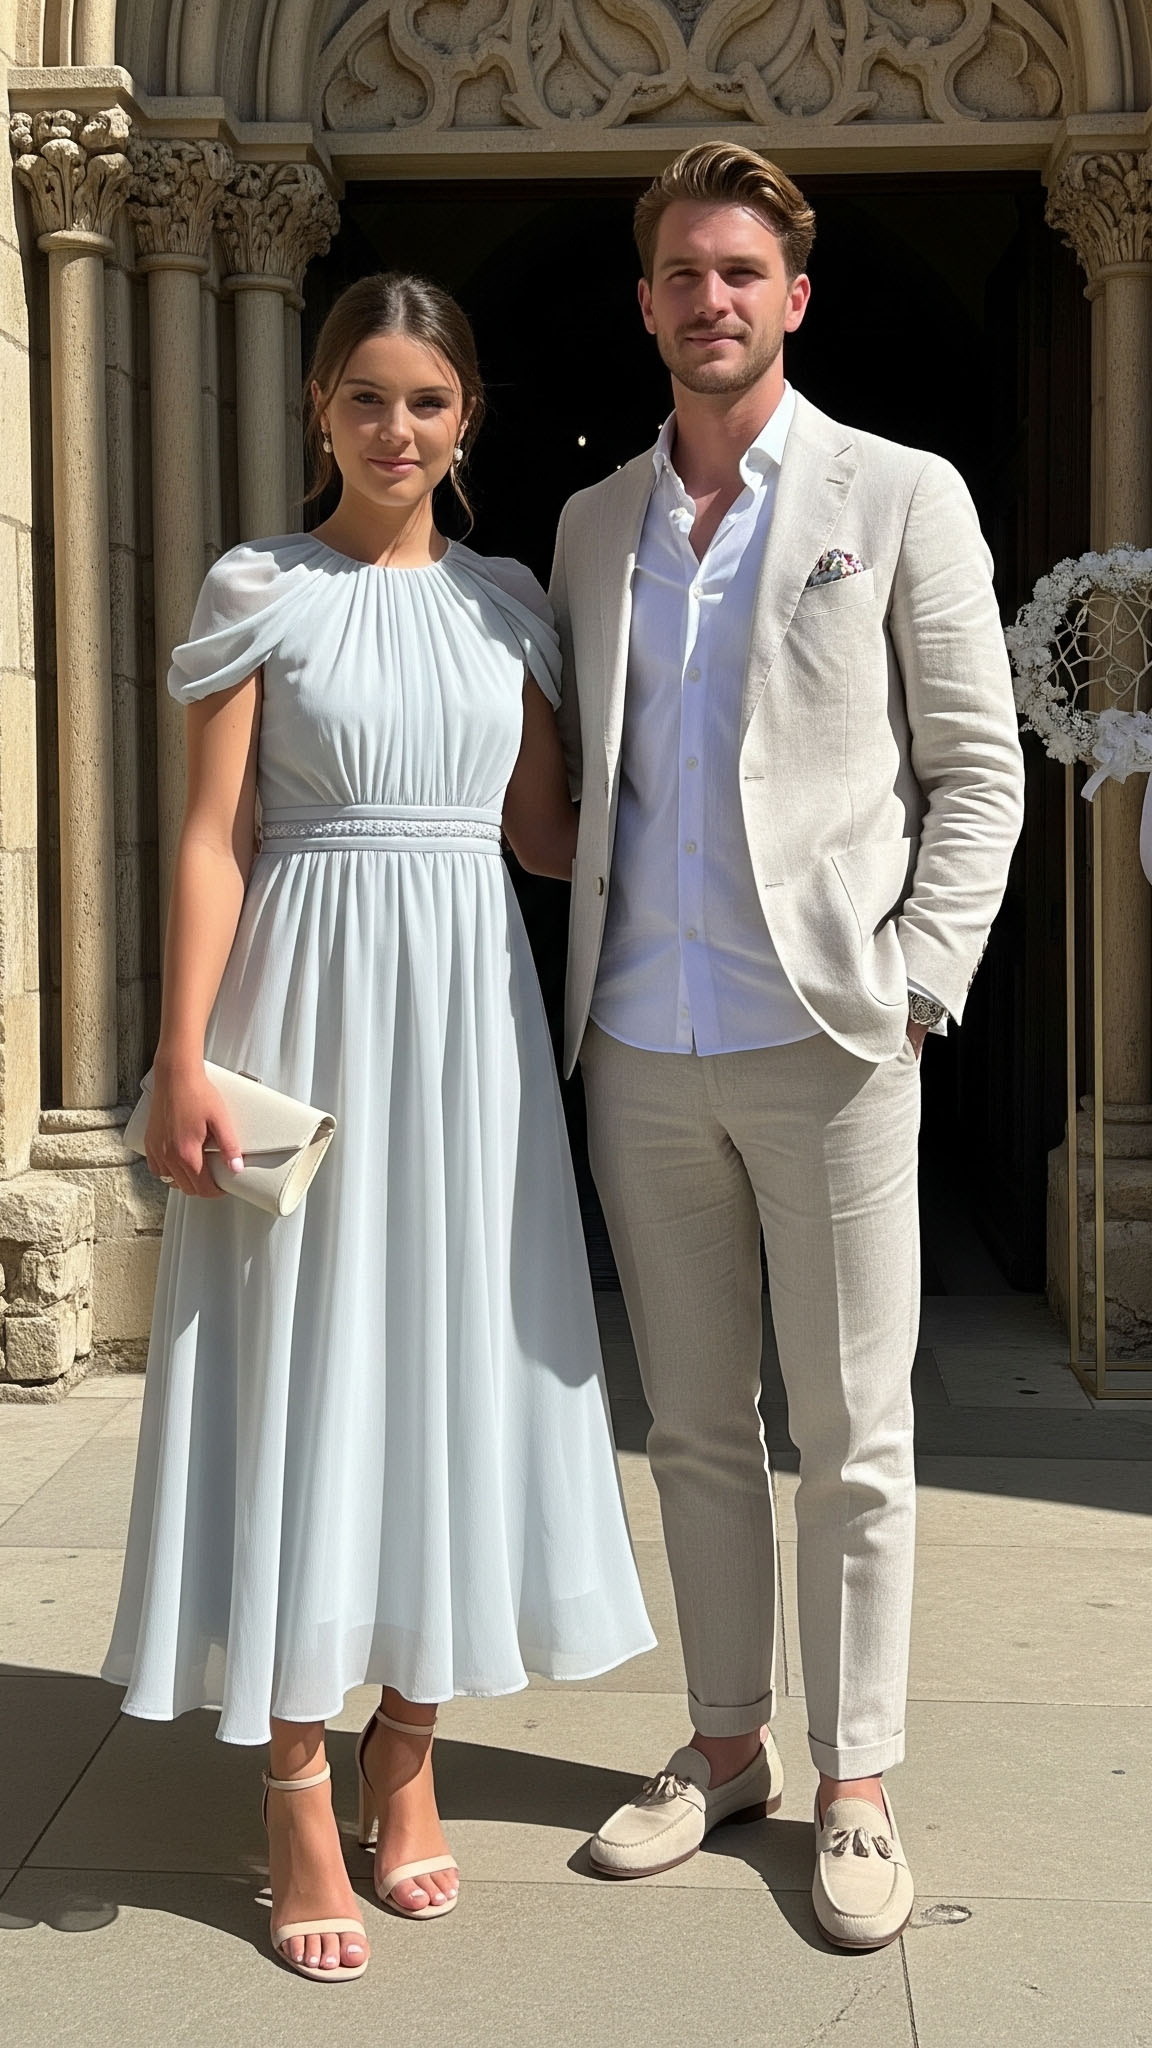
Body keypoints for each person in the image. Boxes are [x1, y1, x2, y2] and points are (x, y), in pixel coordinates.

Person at [103, 271, 654, 1984]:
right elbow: (214, 837)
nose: (395, 428)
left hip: (469, 1035)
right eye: (365, 397)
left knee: (445, 1368)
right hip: (304, 1012)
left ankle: (404, 1752)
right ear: (319, 409)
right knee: (297, 1363)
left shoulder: (507, 605)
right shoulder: (259, 588)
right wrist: (180, 1057)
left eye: (425, 401)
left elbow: (552, 835)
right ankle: (291, 1781)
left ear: (467, 417)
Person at [549, 142, 1025, 1950]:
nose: (711, 299)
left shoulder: (895, 493)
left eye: (741, 271)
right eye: (683, 272)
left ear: (793, 298)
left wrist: (919, 984)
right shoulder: (594, 522)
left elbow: (976, 769)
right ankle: (727, 1741)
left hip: (830, 1037)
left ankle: (859, 1780)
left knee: (853, 1432)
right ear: (647, 300)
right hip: (640, 1039)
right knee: (690, 1422)